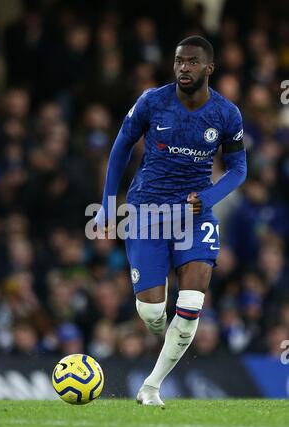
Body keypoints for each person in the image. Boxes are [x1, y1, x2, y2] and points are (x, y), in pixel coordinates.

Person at [95, 36, 247, 407]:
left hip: (194, 215)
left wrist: (207, 198)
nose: (183, 67)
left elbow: (238, 169)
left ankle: (151, 386)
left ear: (209, 68)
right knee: (151, 314)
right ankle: (163, 333)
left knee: (192, 302)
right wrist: (105, 203)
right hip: (147, 211)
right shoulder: (152, 102)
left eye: (192, 62)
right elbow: (120, 147)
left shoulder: (226, 115)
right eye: (179, 61)